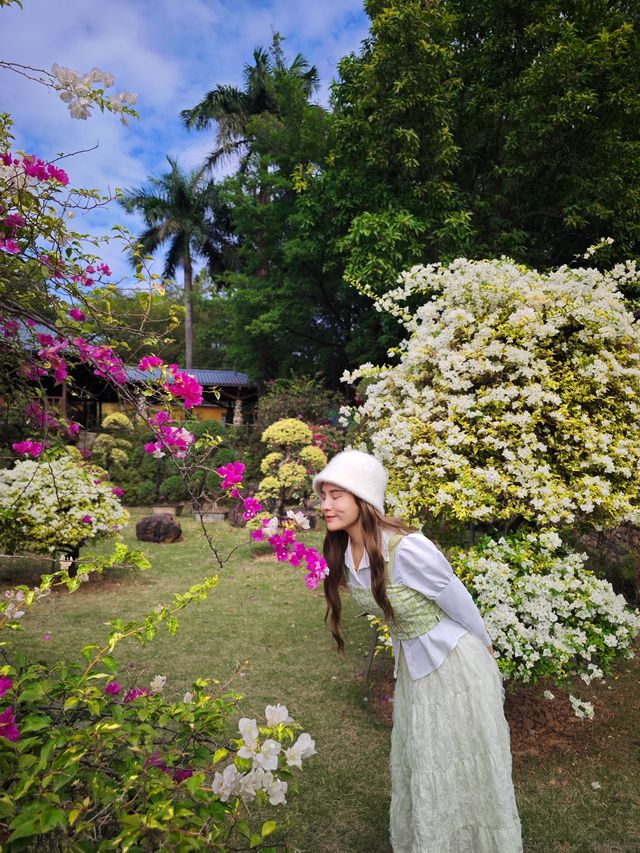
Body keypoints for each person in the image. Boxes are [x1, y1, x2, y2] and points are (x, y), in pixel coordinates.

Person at [313, 449, 522, 853]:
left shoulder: (406, 549)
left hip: (455, 665)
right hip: (415, 669)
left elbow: (458, 601)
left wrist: (487, 649)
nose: (326, 505)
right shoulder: (349, 550)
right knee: (427, 759)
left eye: (336, 495)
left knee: (456, 758)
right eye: (323, 495)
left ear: (363, 499)